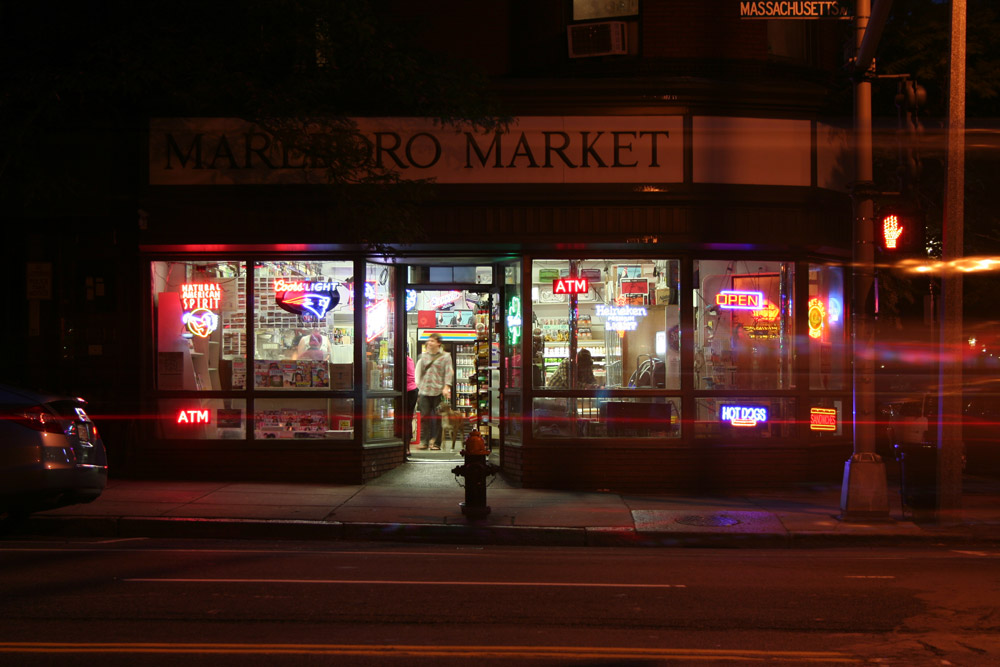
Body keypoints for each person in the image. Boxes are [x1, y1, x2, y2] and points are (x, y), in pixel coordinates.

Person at [415, 332, 453, 450]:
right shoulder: (423, 356)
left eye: (432, 341)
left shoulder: (445, 356)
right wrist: (418, 389)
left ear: (438, 343)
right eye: (429, 340)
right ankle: (424, 441)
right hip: (425, 391)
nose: (429, 343)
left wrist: (447, 387)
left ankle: (436, 443)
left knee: (438, 418)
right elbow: (419, 373)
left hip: (438, 391)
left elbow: (448, 372)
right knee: (424, 417)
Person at [404, 343, 418, 458]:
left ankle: (405, 447)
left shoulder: (402, 361)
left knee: (404, 420)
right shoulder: (410, 360)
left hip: (407, 392)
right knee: (408, 419)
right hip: (413, 391)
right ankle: (407, 447)